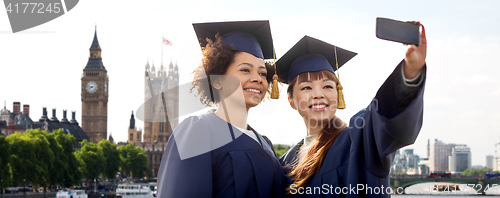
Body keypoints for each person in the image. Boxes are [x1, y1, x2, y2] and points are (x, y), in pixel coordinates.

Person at [277, 22, 427, 197]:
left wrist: (411, 70)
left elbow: (384, 116)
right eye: (306, 88)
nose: (318, 94)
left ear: (338, 94)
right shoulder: (286, 162)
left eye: (327, 86)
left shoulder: (359, 139)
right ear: (291, 101)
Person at [156, 20, 285, 198]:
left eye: (263, 73)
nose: (258, 78)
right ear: (217, 80)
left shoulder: (264, 143)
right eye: (245, 70)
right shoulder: (197, 132)